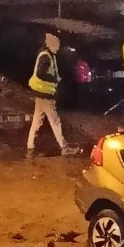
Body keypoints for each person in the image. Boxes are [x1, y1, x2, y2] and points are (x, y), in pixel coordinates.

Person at [26, 29, 79, 159]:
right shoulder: (46, 56)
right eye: (57, 44)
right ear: (51, 44)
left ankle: (30, 148)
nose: (58, 46)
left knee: (36, 122)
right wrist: (55, 79)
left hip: (40, 94)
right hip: (45, 95)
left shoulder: (47, 54)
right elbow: (41, 73)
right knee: (55, 122)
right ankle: (64, 147)